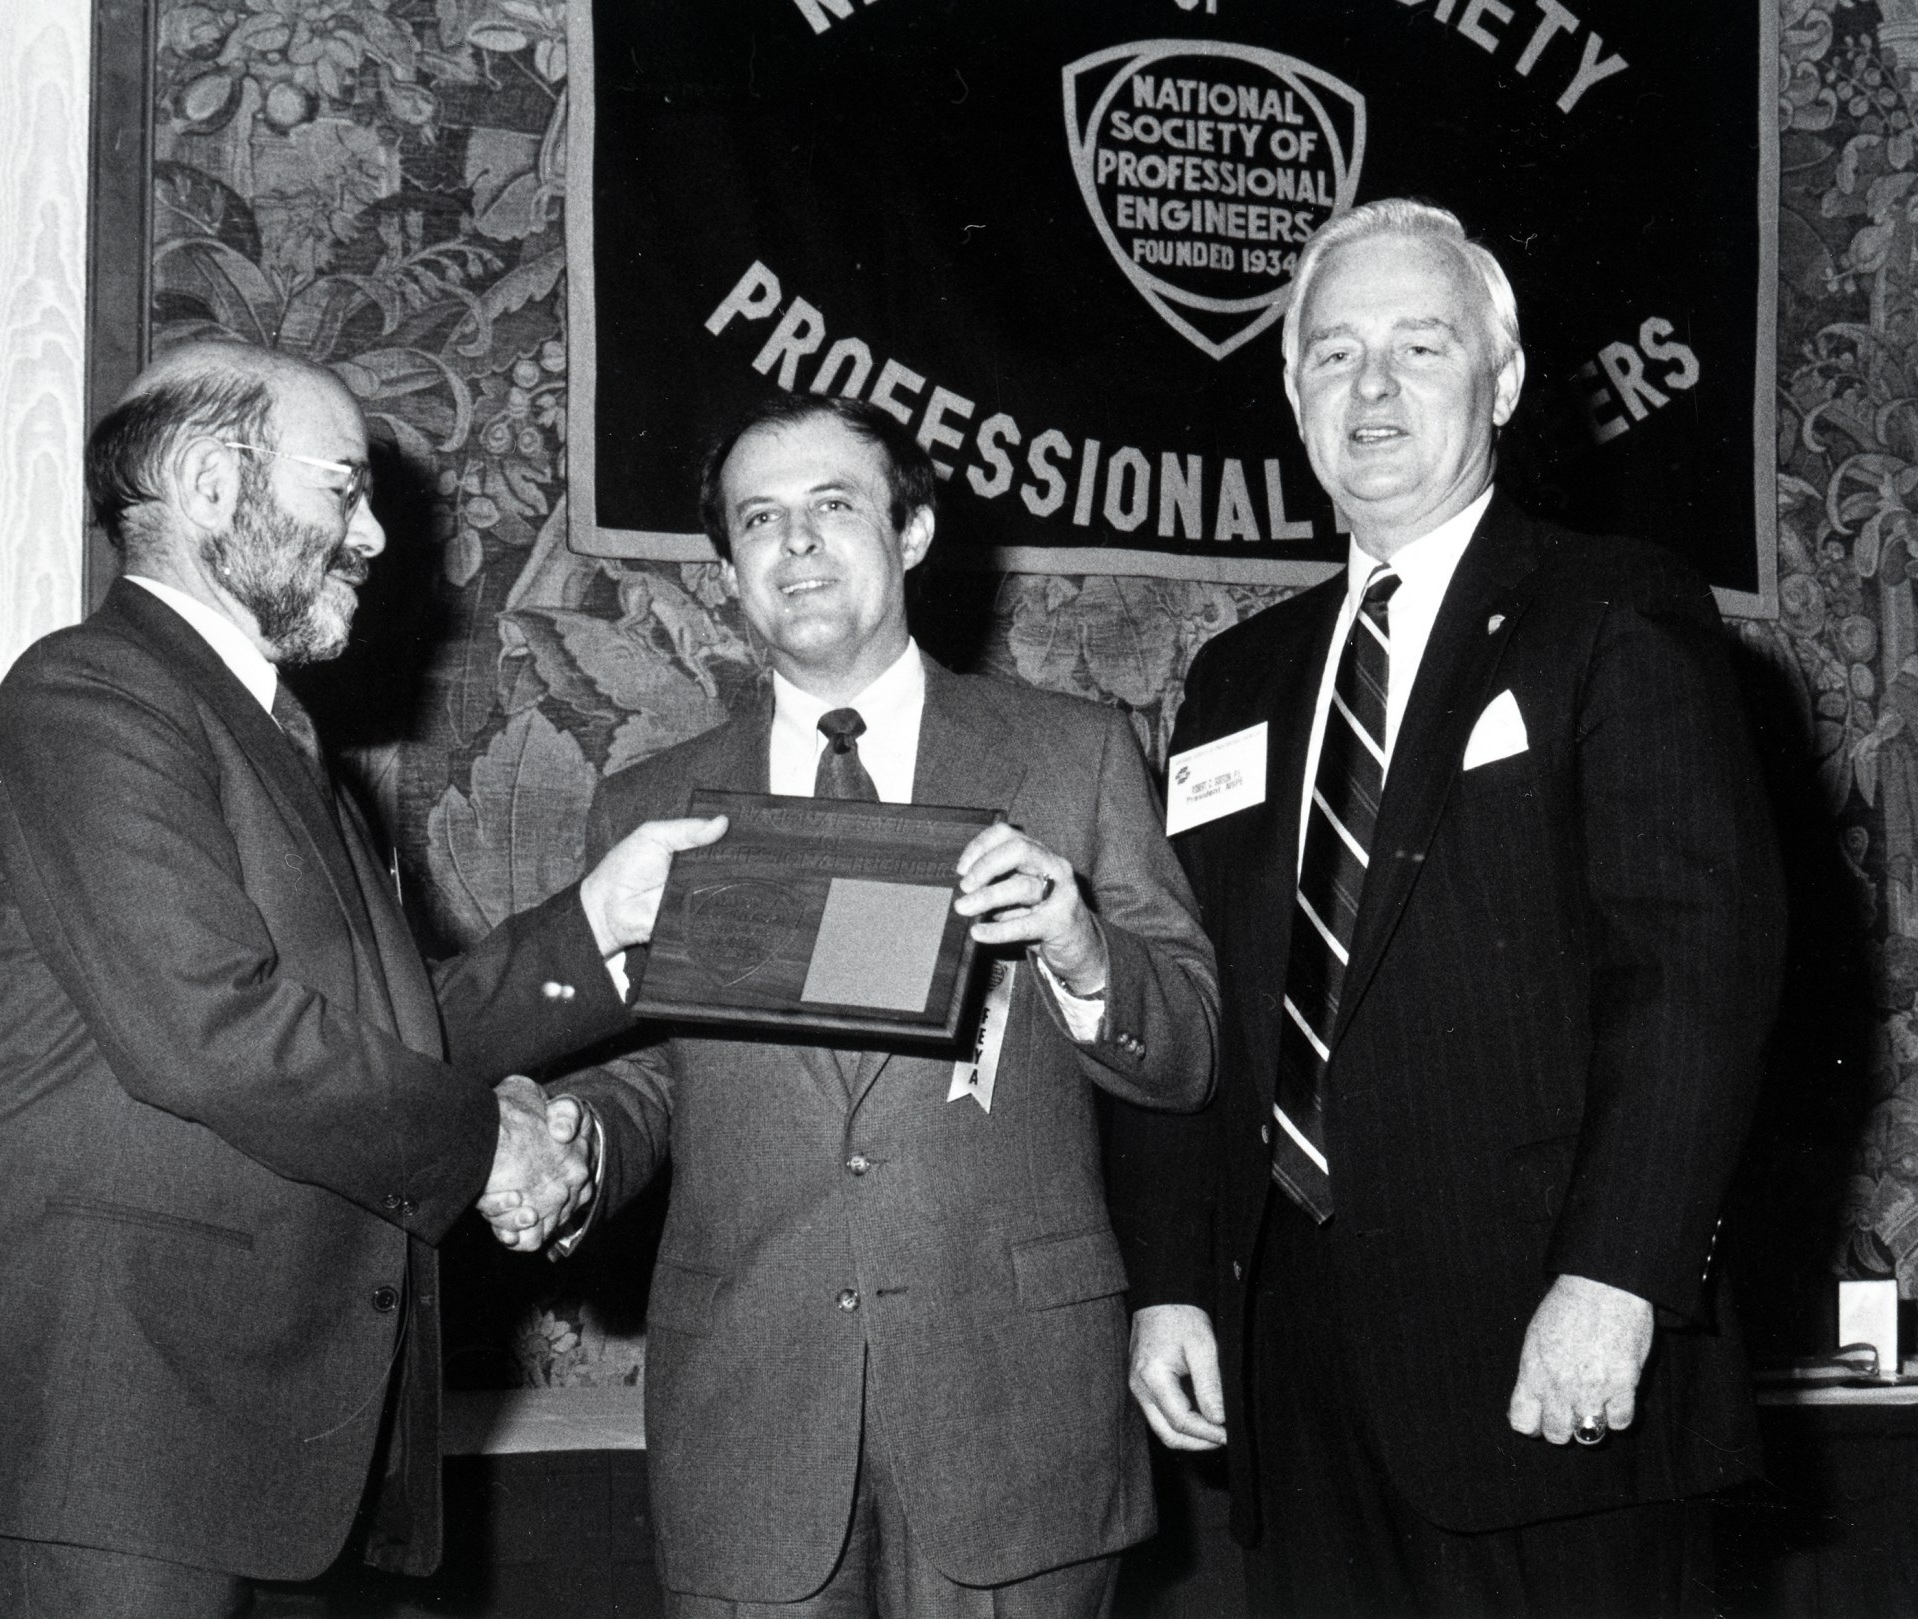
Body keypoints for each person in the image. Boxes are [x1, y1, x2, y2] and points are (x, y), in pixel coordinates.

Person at [0, 340, 723, 1618]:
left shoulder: (274, 735)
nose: (378, 536)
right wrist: (488, 1148)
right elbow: (212, 1030)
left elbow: (369, 1035)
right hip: (107, 1458)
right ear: (214, 487)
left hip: (256, 1459)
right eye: (343, 487)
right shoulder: (89, 692)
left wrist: (590, 930)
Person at [1108, 199, 1785, 1616]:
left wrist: (1620, 1280)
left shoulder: (1613, 609)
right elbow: (1200, 992)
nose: (1372, 387)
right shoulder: (1236, 678)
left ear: (1505, 380)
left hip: (1553, 1356)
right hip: (1293, 1372)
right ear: (1292, 396)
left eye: (1420, 345)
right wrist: (1173, 1276)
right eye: (1333, 354)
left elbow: (1697, 966)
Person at [512, 392, 1218, 1617]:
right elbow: (640, 1077)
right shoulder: (649, 804)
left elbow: (1191, 1046)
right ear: (729, 568)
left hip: (1016, 1416)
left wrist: (1081, 946)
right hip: (753, 1420)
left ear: (917, 529)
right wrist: (577, 1146)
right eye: (759, 521)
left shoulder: (1072, 755)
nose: (795, 545)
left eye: (833, 506)